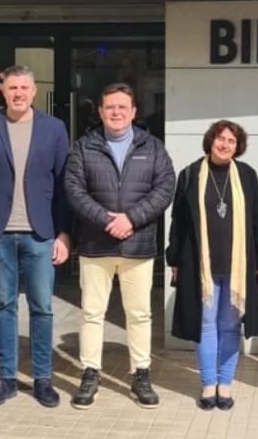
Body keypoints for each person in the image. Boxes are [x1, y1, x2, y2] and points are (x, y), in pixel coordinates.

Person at [0, 65, 72, 409]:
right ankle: (7, 378)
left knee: (42, 308)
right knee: (5, 306)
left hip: (41, 233)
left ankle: (43, 378)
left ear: (34, 91)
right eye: (13, 88)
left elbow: (63, 185)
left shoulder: (54, 128)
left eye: (25, 87)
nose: (19, 93)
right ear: (2, 90)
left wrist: (64, 233)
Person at [64, 83, 175, 409]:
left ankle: (141, 373)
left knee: (140, 314)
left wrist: (131, 218)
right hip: (96, 245)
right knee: (91, 313)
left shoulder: (153, 147)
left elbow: (165, 187)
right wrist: (104, 219)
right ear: (100, 111)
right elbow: (73, 189)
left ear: (134, 112)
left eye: (122, 107)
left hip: (137, 245)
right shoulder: (84, 147)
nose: (116, 112)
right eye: (109, 107)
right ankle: (90, 372)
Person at [167, 120, 258, 410]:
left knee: (229, 325)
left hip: (238, 266)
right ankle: (208, 383)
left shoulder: (247, 175)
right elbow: (179, 222)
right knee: (206, 325)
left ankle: (225, 384)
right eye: (220, 139)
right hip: (199, 266)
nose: (225, 145)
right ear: (210, 140)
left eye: (231, 141)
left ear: (238, 147)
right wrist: (173, 258)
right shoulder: (190, 174)